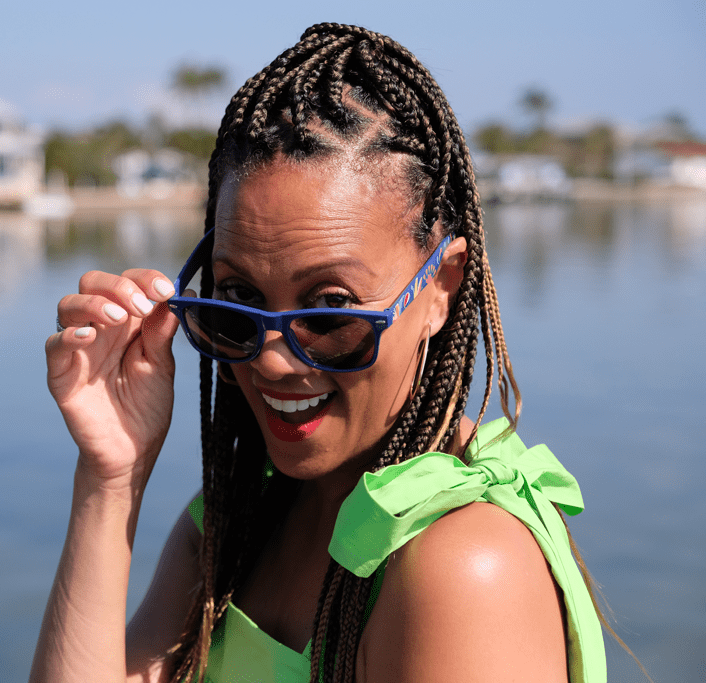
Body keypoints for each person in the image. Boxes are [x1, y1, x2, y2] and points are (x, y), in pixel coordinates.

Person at [33, 23, 614, 683]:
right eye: (237, 300)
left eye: (330, 309)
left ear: (439, 288)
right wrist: (110, 478)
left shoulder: (463, 565)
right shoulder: (234, 521)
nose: (273, 360)